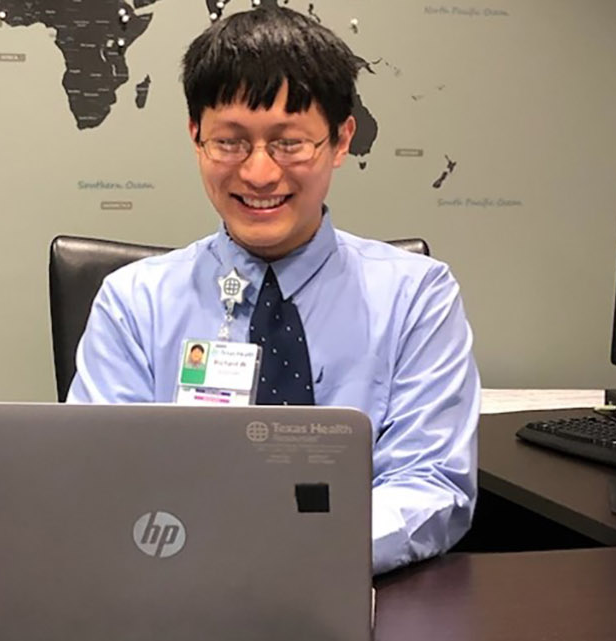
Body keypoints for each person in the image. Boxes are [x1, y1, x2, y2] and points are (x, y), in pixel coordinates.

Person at [66, 7, 479, 575]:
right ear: (196, 138)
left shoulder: (417, 297)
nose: (259, 174)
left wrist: (298, 551)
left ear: (341, 140)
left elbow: (431, 483)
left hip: (350, 584)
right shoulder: (133, 303)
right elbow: (100, 478)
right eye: (230, 142)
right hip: (178, 588)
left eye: (289, 143)